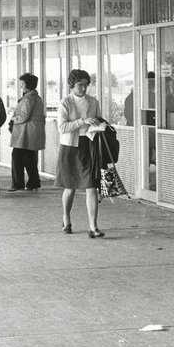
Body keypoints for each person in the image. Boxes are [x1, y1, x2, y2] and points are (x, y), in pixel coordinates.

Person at [56, 69, 106, 238]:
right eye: (80, 85)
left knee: (91, 186)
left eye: (86, 85)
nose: (83, 88)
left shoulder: (93, 102)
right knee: (70, 186)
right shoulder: (65, 102)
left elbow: (99, 121)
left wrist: (99, 126)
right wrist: (82, 121)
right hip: (70, 147)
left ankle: (93, 227)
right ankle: (66, 218)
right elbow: (62, 127)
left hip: (89, 145)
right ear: (72, 85)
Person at [8, 73, 46, 192]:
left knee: (16, 156)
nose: (21, 86)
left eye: (22, 84)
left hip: (25, 133)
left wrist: (13, 119)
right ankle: (33, 182)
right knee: (29, 158)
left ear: (28, 85)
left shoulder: (29, 98)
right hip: (32, 132)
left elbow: (24, 116)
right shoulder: (36, 97)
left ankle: (18, 183)